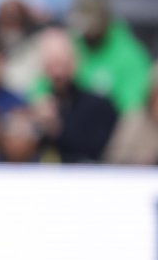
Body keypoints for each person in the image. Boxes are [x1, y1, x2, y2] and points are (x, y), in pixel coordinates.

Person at [29, 26, 119, 163]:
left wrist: (56, 127)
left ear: (75, 63)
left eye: (62, 64)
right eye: (52, 65)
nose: (58, 73)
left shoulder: (99, 106)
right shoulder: (37, 105)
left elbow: (93, 151)